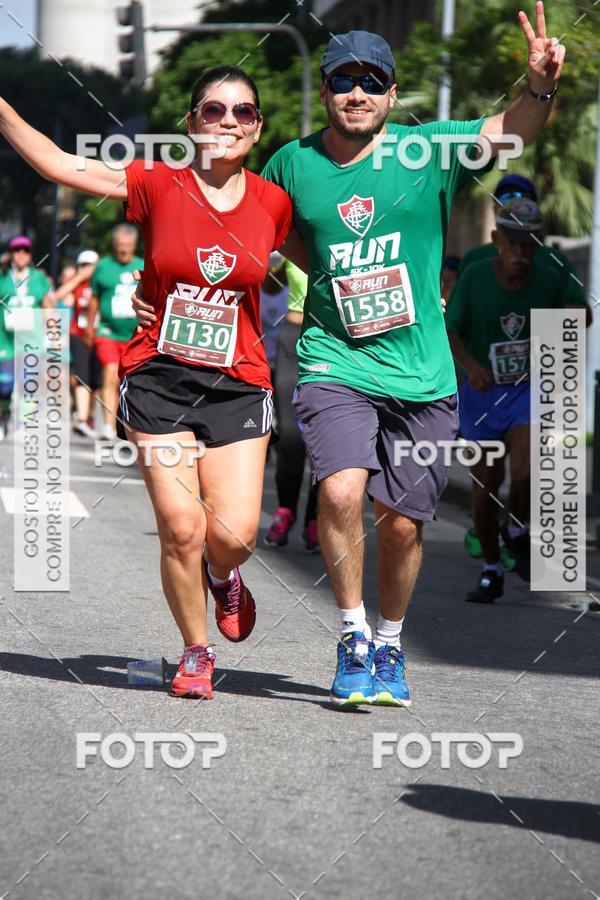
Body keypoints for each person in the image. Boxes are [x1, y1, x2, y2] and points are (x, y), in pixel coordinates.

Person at [134, 6, 565, 707]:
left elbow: (505, 130)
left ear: (392, 95)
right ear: (328, 91)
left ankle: (391, 644)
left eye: (372, 80)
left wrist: (540, 86)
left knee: (401, 523)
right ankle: (353, 633)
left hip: (424, 372)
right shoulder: (292, 162)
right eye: (342, 81)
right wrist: (153, 290)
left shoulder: (427, 151)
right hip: (335, 360)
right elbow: (235, 225)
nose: (356, 92)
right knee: (338, 490)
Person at [0, 64, 293, 700]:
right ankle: (196, 650)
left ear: (258, 126)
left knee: (234, 535)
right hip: (157, 376)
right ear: (190, 124)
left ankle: (224, 576)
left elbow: (337, 260)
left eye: (242, 112)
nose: (227, 123)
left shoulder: (274, 203)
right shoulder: (156, 184)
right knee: (181, 526)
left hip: (239, 382)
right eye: (212, 111)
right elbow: (58, 165)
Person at [446, 198, 563, 602]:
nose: (519, 252)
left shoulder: (550, 277)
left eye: (528, 244)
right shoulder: (476, 276)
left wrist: (553, 332)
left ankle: (515, 528)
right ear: (496, 239)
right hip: (481, 394)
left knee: (527, 472)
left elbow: (581, 316)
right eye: (512, 243)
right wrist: (471, 365)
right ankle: (491, 570)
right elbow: (451, 328)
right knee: (485, 487)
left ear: (539, 244)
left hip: (526, 392)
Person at [459, 172, 592, 325]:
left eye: (522, 197)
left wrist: (540, 315)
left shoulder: (554, 262)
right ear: (494, 208)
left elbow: (584, 317)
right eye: (505, 198)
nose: (513, 202)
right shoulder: (473, 260)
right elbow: (454, 320)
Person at [264, 258, 319, 553]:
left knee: (323, 439)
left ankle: (315, 517)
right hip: (293, 338)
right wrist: (271, 263)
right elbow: (270, 290)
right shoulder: (292, 238)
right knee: (289, 435)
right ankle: (285, 509)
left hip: (331, 340)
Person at [86, 225, 143, 441]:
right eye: (119, 245)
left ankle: (123, 424)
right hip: (107, 332)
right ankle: (108, 425)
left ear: (134, 246)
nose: (123, 250)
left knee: (126, 379)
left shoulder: (142, 265)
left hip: (134, 335)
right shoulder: (103, 266)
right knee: (110, 374)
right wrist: (90, 328)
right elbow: (94, 298)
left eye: (127, 245)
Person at [0, 236, 52, 439]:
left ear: (30, 254)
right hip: (5, 338)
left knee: (29, 381)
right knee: (4, 385)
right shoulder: (3, 275)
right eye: (17, 250)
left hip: (32, 338)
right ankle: (3, 417)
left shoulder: (38, 277)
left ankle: (25, 423)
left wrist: (52, 334)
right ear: (12, 253)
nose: (21, 253)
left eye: (25, 250)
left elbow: (47, 306)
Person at [48, 250, 101, 438]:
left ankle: (89, 416)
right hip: (78, 334)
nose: (86, 269)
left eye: (90, 265)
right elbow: (56, 296)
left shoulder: (101, 283)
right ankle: (82, 418)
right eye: (83, 265)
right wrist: (78, 277)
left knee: (96, 381)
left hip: (101, 335)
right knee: (81, 377)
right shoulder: (78, 284)